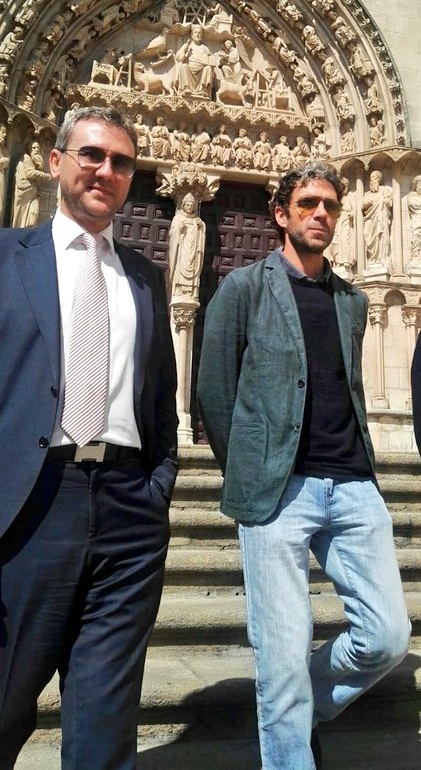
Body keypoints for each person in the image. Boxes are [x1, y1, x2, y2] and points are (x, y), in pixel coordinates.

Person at [0, 105, 178, 770]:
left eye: (120, 162)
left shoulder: (145, 276)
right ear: (55, 162)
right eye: (91, 155)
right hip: (20, 507)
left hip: (127, 514)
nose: (105, 171)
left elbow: (160, 400)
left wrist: (155, 490)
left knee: (104, 735)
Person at [197, 161, 410, 770]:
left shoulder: (353, 301)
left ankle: (292, 709)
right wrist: (250, 467)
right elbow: (214, 389)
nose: (321, 214)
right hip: (279, 489)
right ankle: (288, 736)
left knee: (387, 636)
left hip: (353, 484)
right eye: (308, 203)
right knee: (282, 651)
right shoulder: (243, 288)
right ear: (280, 212)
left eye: (331, 206)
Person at [168, 193, 206, 300]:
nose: (189, 207)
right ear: (183, 206)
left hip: (193, 251)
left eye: (191, 205)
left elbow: (201, 234)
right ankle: (178, 290)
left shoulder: (196, 220)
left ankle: (191, 292)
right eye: (187, 205)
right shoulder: (178, 218)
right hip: (182, 250)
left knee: (193, 267)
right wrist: (179, 229)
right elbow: (172, 234)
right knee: (180, 267)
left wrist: (201, 227)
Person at [11, 140, 51, 228]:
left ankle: (28, 231)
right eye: (34, 148)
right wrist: (44, 175)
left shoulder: (33, 161)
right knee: (22, 217)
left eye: (38, 148)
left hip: (32, 194)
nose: (36, 150)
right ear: (29, 149)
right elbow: (30, 173)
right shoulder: (26, 158)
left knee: (34, 214)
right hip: (24, 193)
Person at [361, 169, 392, 264]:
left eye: (375, 178)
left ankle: (380, 259)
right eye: (371, 178)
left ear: (379, 179)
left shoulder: (385, 190)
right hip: (369, 217)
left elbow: (389, 203)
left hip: (380, 217)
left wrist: (384, 201)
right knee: (366, 233)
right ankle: (372, 258)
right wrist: (369, 202)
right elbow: (363, 205)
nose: (372, 180)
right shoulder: (368, 194)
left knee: (380, 235)